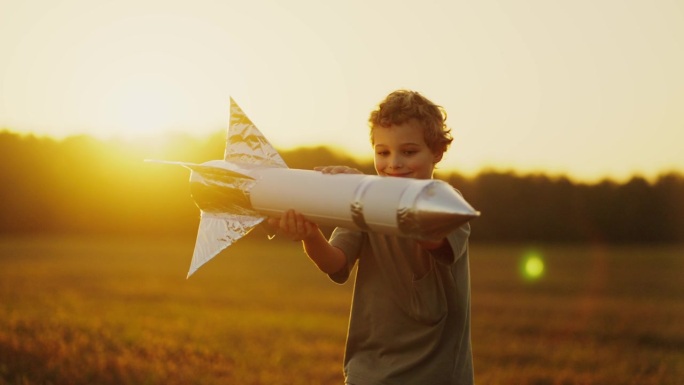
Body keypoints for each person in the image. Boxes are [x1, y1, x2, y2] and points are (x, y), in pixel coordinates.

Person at [270, 90, 474, 385]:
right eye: (383, 152)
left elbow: (426, 234)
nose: (394, 164)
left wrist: (363, 190)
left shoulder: (446, 203)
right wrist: (310, 235)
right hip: (369, 373)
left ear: (437, 153)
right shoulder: (361, 204)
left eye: (409, 151)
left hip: (434, 374)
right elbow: (335, 263)